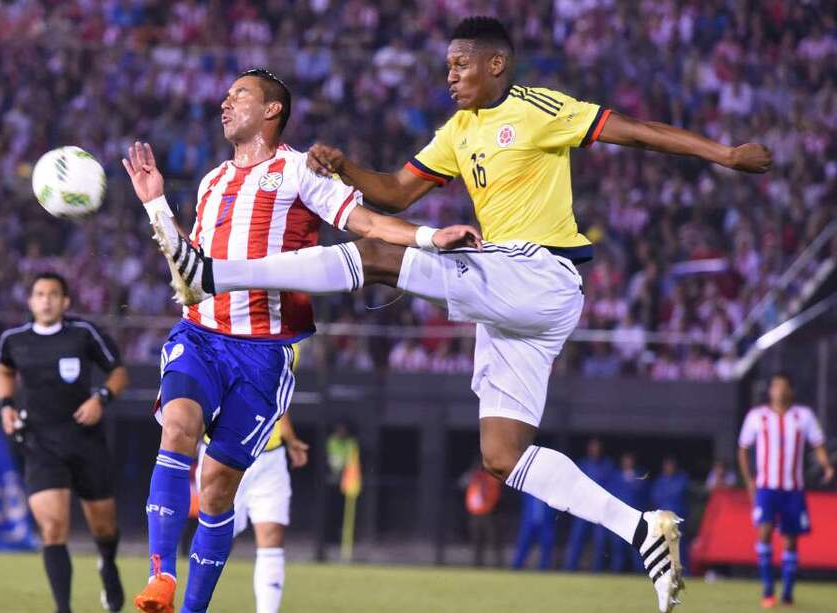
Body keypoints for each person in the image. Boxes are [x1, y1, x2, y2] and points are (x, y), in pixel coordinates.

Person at [150, 17, 771, 612]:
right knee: (502, 456)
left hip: (538, 272)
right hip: (508, 305)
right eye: (447, 65)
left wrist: (724, 154)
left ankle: (212, 274)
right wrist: (344, 169)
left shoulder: (538, 108)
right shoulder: (457, 130)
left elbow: (634, 130)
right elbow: (394, 191)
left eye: (460, 64)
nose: (449, 75)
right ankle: (644, 532)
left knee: (376, 255)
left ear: (495, 65)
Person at [121, 68, 479, 613]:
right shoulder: (211, 182)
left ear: (271, 111)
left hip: (263, 354)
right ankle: (161, 578)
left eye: (238, 94)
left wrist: (431, 237)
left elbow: (368, 225)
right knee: (178, 429)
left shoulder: (297, 171)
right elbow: (186, 269)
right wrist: (154, 206)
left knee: (218, 488)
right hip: (200, 335)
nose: (224, 102)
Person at [0, 272, 128, 613]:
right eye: (40, 294)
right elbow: (5, 371)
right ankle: (62, 609)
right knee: (52, 528)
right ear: (31, 301)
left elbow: (118, 372)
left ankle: (107, 564)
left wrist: (101, 398)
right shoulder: (14, 339)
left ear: (66, 301)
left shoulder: (83, 334)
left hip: (85, 440)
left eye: (54, 294)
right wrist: (7, 406)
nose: (47, 300)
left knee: (104, 525)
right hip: (40, 443)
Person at [737, 373, 834, 608]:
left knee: (791, 541)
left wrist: (827, 466)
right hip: (766, 487)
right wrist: (749, 481)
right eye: (775, 387)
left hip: (793, 489)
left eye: (783, 387)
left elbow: (818, 444)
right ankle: (768, 589)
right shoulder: (757, 416)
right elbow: (742, 449)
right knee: (765, 531)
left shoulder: (804, 416)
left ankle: (788, 592)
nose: (779, 391)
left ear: (790, 391)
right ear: (769, 391)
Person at [197, 411, 307, 613]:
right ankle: (194, 608)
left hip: (270, 457)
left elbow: (280, 396)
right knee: (214, 539)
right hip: (223, 453)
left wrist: (289, 438)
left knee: (271, 537)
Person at [564, 438, 615, 572]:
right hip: (582, 508)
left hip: (599, 509)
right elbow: (574, 485)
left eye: (597, 447)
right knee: (576, 538)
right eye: (592, 447)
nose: (594, 450)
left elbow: (611, 487)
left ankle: (598, 571)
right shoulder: (582, 464)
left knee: (600, 542)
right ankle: (570, 569)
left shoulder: (607, 465)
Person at [609, 452, 650, 573]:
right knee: (618, 548)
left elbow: (645, 497)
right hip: (620, 517)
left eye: (630, 460)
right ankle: (616, 572)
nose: (627, 463)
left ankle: (639, 573)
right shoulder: (616, 476)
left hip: (635, 518)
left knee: (636, 548)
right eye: (625, 460)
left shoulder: (640, 476)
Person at [649, 458, 689, 572]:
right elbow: (655, 499)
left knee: (679, 548)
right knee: (661, 548)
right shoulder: (659, 481)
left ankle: (684, 573)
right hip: (662, 520)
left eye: (671, 465)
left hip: (677, 519)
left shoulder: (681, 479)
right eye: (667, 465)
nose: (669, 468)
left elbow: (679, 495)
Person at [511, 493, 556, 571]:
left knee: (546, 544)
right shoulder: (529, 490)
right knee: (523, 544)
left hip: (545, 522)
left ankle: (544, 568)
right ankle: (516, 567)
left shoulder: (549, 492)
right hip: (529, 522)